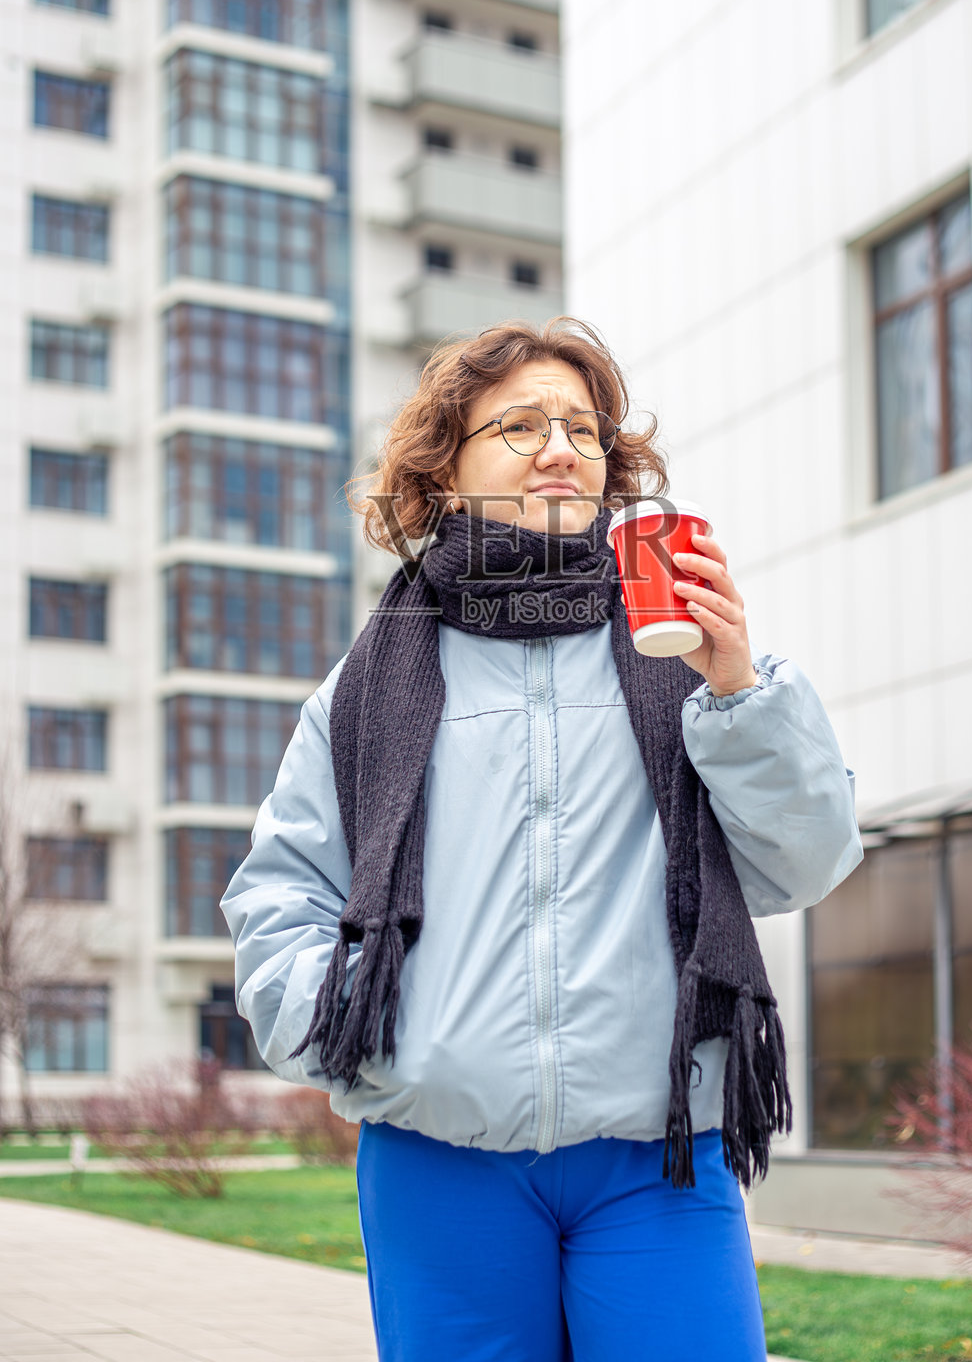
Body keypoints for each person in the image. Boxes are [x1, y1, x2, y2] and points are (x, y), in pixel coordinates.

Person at [222, 316, 862, 1362]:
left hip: (654, 1158)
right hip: (439, 1154)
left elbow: (804, 863)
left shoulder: (685, 658)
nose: (560, 445)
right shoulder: (367, 688)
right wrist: (368, 1038)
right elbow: (279, 893)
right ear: (445, 471)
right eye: (518, 425)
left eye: (582, 428)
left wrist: (739, 690)